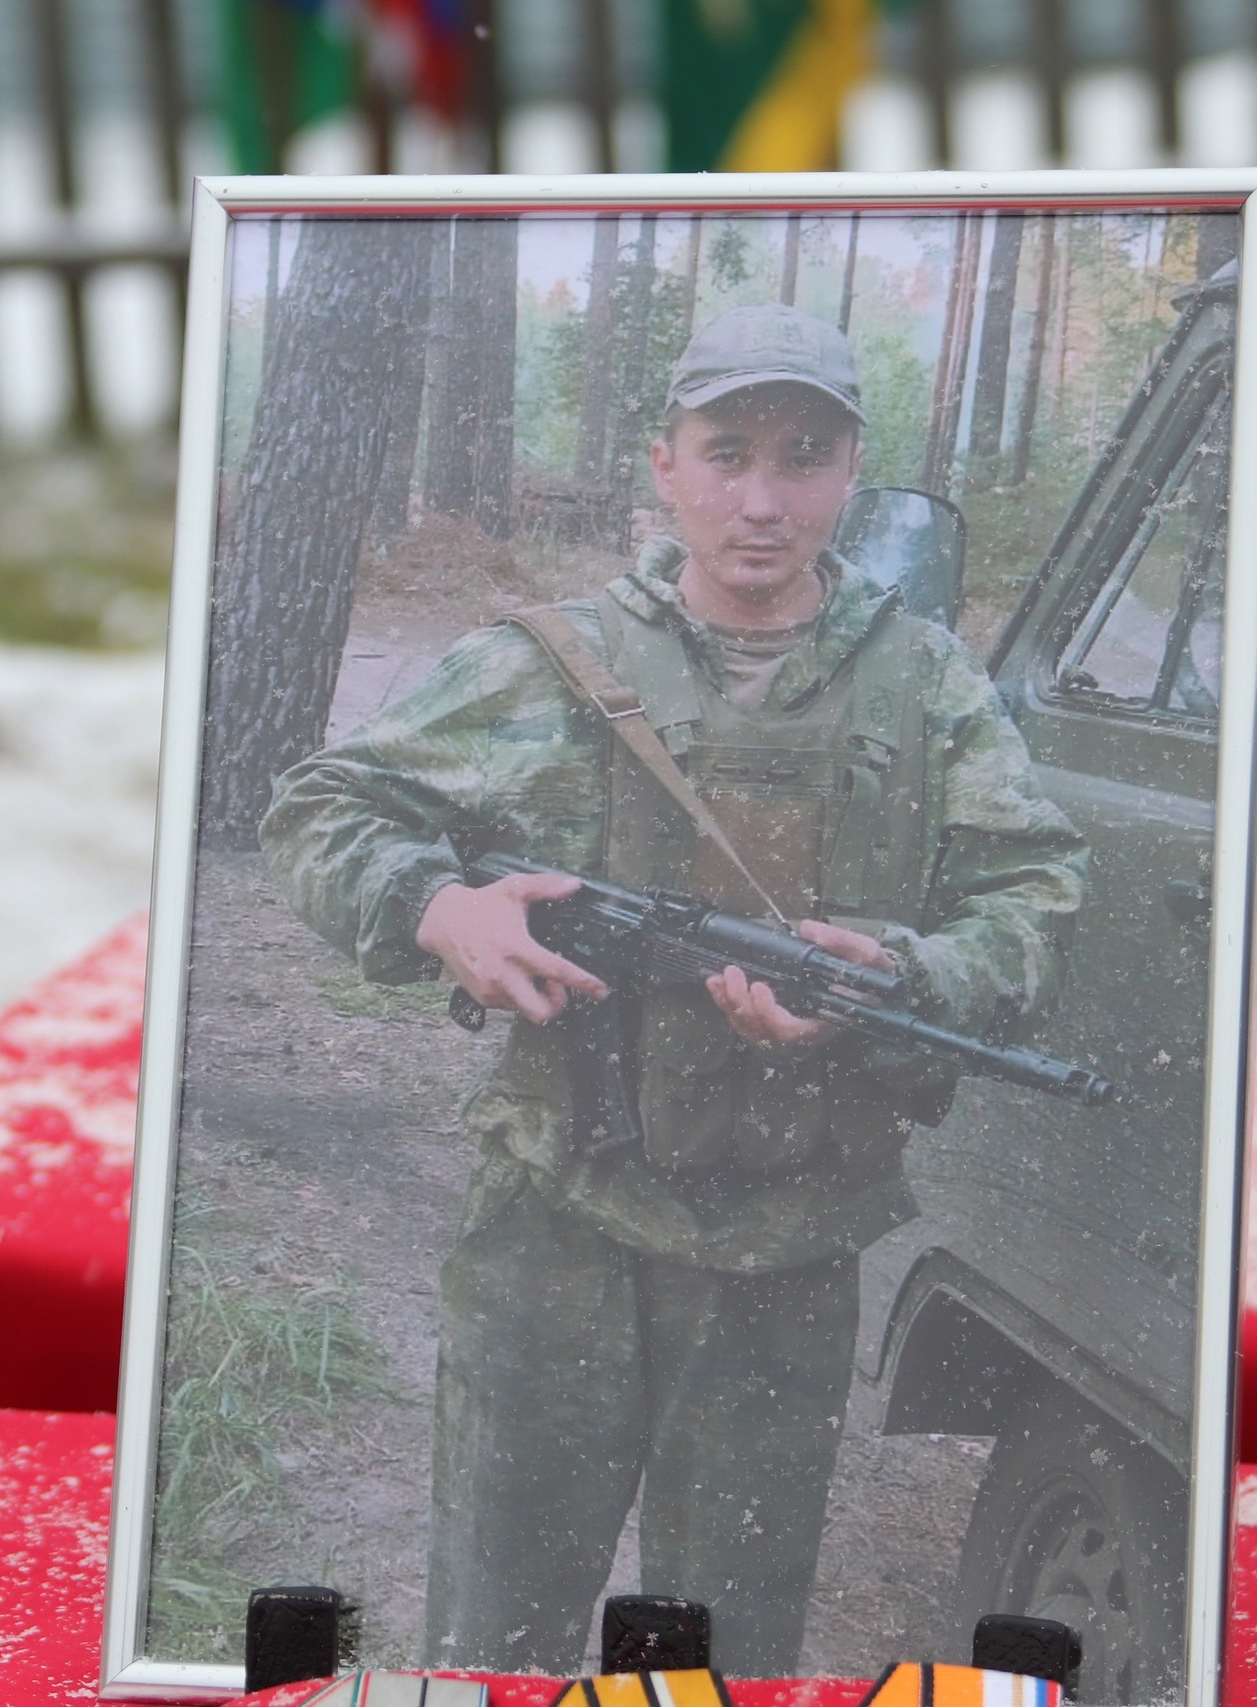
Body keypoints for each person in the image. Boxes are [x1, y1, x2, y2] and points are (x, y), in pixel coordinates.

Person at [259, 303, 1091, 1675]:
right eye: (728, 453)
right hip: (554, 1220)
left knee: (724, 1650)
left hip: (787, 1245)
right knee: (498, 1628)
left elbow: (1035, 896)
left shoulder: (927, 687)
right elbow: (321, 805)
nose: (764, 500)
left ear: (852, 472)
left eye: (804, 457)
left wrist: (915, 970)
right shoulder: (543, 663)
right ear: (665, 466)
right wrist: (437, 906)